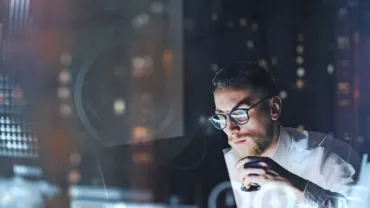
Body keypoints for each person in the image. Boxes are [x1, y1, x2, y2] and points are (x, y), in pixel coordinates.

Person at [209, 62, 361, 208]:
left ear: (273, 108)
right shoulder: (227, 166)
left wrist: (291, 184)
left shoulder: (328, 158)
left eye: (240, 113)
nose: (230, 128)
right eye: (221, 117)